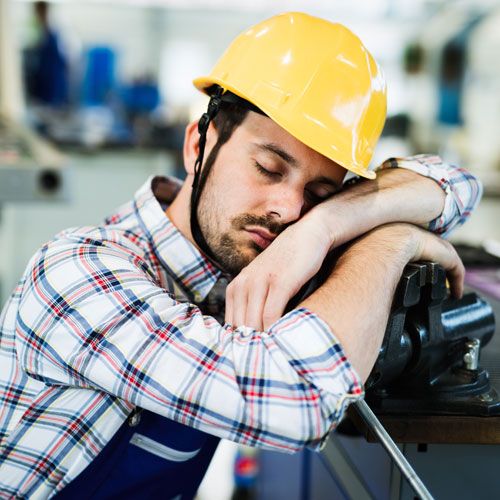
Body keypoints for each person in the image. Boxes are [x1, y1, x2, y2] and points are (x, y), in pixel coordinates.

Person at [0, 12, 481, 499]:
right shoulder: (77, 273)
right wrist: (387, 242)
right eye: (269, 168)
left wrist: (330, 224)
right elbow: (298, 400)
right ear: (197, 146)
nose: (289, 210)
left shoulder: (251, 266)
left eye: (318, 193)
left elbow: (459, 185)